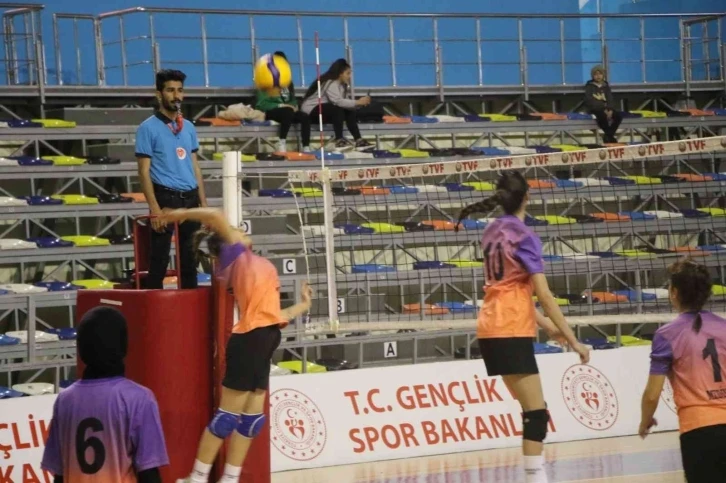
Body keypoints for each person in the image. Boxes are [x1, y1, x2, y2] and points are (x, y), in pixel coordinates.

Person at [158, 208, 313, 483]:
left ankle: (230, 479)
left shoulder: (250, 261)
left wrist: (303, 305)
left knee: (252, 422)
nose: (241, 231)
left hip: (265, 337)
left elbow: (273, 315)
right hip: (250, 339)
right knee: (226, 418)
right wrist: (176, 215)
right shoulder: (235, 255)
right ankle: (197, 478)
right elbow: (215, 214)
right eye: (236, 230)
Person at [455, 171, 590, 483]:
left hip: (490, 328)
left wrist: (546, 326)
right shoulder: (524, 236)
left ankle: (534, 477)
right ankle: (534, 479)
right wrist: (573, 339)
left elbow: (510, 288)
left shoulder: (491, 231)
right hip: (511, 328)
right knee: (536, 414)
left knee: (534, 411)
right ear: (527, 197)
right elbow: (543, 294)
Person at [41, 306, 169, 482]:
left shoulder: (65, 400)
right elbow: (149, 474)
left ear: (81, 349)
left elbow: (59, 475)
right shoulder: (139, 399)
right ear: (123, 346)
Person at [639, 259, 726, 483]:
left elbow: (652, 395)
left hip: (698, 430)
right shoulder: (724, 327)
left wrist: (645, 421)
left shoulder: (666, 335)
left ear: (674, 293)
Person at [135, 69, 208, 289]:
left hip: (191, 198)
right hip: (165, 198)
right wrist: (154, 209)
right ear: (159, 94)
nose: (176, 96)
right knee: (158, 261)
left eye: (180, 90)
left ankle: (190, 309)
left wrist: (204, 205)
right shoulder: (147, 128)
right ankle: (152, 308)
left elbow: (195, 166)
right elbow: (143, 171)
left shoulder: (189, 127)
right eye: (170, 90)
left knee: (190, 262)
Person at [299, 58, 373, 151]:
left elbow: (346, 103)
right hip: (311, 111)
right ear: (340, 74)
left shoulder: (342, 86)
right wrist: (357, 102)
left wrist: (360, 103)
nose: (350, 76)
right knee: (337, 109)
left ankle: (359, 140)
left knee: (349, 110)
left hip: (325, 111)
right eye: (348, 73)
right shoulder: (331, 83)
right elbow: (338, 101)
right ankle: (339, 140)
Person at [255, 51, 311, 153]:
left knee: (304, 116)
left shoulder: (287, 82)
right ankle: (282, 142)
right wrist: (281, 105)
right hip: (270, 112)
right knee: (287, 111)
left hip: (288, 112)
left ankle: (306, 146)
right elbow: (262, 105)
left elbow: (291, 99)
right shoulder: (265, 81)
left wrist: (294, 106)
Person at [584, 65, 622, 144]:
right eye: (596, 74)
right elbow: (590, 100)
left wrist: (610, 109)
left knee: (618, 116)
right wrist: (603, 109)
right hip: (595, 109)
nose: (598, 76)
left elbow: (610, 99)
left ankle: (608, 135)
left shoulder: (606, 86)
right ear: (592, 76)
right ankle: (610, 137)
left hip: (607, 109)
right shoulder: (589, 86)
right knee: (602, 116)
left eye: (600, 74)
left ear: (603, 75)